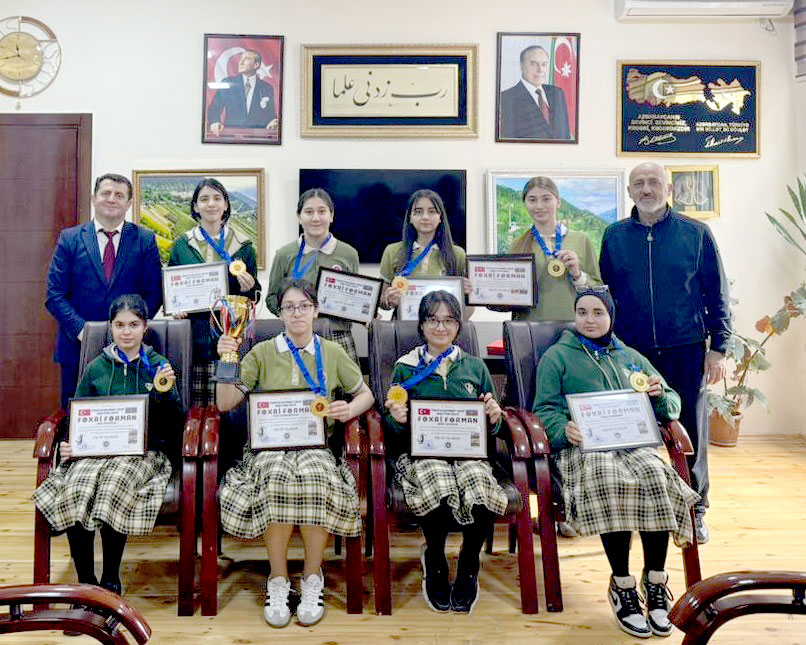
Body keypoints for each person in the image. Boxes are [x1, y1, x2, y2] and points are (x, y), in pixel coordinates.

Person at [532, 287, 699, 639]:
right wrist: (563, 429)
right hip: (584, 449)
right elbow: (543, 409)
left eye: (598, 313)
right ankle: (622, 585)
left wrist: (659, 396)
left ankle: (655, 582)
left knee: (656, 475)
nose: (589, 320)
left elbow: (672, 402)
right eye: (582, 312)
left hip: (633, 444)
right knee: (609, 479)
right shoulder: (556, 357)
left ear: (611, 317)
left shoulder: (630, 357)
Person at [215, 279, 374, 628]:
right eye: (289, 307)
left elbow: (366, 394)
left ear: (316, 310)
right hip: (268, 448)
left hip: (315, 447)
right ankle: (278, 579)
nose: (297, 313)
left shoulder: (332, 352)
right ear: (281, 313)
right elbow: (225, 403)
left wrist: (349, 409)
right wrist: (227, 358)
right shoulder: (261, 352)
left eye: (304, 306)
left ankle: (312, 577)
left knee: (316, 479)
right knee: (275, 480)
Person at [600, 162, 731, 544]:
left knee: (689, 431)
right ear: (629, 192)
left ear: (668, 189)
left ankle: (695, 510)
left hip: (685, 348)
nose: (646, 189)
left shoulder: (696, 233)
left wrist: (719, 349)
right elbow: (607, 296)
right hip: (631, 353)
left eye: (653, 182)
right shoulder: (614, 236)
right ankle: (637, 506)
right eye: (638, 183)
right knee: (630, 433)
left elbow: (717, 293)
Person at [33, 294, 182, 598]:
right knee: (75, 488)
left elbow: (176, 420)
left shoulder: (158, 366)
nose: (126, 332)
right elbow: (77, 416)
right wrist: (69, 444)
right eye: (119, 325)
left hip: (142, 453)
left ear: (145, 327)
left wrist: (165, 392)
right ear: (111, 327)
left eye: (134, 325)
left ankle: (111, 577)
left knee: (114, 485)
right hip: (95, 453)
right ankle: (86, 582)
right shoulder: (95, 367)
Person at [383, 290, 506, 614]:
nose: (441, 327)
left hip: (469, 455)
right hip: (422, 455)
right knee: (437, 483)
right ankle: (435, 559)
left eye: (449, 320)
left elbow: (493, 424)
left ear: (458, 326)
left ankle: (469, 563)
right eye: (433, 320)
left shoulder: (475, 367)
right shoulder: (406, 368)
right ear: (422, 325)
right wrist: (396, 418)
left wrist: (494, 417)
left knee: (481, 487)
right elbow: (390, 428)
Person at [46, 173, 163, 411]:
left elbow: (154, 294)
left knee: (127, 414)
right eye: (106, 193)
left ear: (128, 203)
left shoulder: (144, 240)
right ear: (93, 198)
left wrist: (131, 329)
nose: (112, 199)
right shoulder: (70, 239)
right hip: (77, 346)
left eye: (119, 195)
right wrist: (84, 331)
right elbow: (55, 295)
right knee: (76, 416)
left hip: (130, 349)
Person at [168, 178, 261, 407]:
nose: (211, 204)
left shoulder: (243, 246)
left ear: (226, 204)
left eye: (217, 198)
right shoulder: (182, 245)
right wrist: (176, 308)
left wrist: (250, 288)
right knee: (197, 407)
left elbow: (254, 297)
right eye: (204, 199)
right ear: (195, 206)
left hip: (231, 341)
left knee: (230, 408)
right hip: (195, 339)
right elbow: (171, 292)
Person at [266, 188, 360, 361]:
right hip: (297, 336)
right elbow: (272, 297)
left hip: (337, 335)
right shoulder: (284, 254)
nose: (316, 218)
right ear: (299, 217)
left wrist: (364, 311)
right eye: (309, 212)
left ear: (331, 216)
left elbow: (355, 298)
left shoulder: (349, 254)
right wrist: (291, 313)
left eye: (322, 211)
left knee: (345, 379)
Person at [506, 176, 601, 321]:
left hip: (574, 327)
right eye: (532, 200)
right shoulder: (517, 245)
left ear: (558, 202)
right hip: (529, 328)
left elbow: (598, 290)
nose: (539, 206)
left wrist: (578, 275)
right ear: (525, 204)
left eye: (546, 199)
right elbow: (509, 294)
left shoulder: (581, 240)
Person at [379, 189, 472, 316]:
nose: (425, 217)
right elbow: (382, 301)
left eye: (432, 211)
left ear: (440, 217)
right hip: (403, 326)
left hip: (440, 326)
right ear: (410, 218)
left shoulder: (457, 254)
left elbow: (468, 309)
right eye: (418, 212)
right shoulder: (392, 251)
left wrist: (466, 295)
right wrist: (389, 301)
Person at [499, 45, 570, 140]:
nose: (540, 70)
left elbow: (565, 135)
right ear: (521, 66)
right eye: (533, 64)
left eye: (544, 64)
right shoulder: (506, 98)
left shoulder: (557, 93)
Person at [207, 49, 278, 135]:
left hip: (257, 136)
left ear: (256, 65)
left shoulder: (266, 87)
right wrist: (215, 122)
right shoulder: (228, 83)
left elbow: (270, 114)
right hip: (231, 135)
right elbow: (214, 108)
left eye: (246, 59)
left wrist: (274, 121)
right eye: (241, 59)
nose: (241, 62)